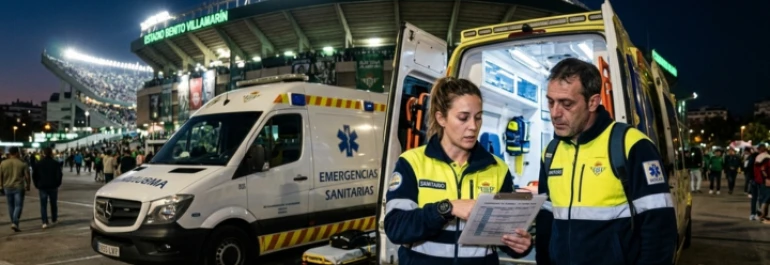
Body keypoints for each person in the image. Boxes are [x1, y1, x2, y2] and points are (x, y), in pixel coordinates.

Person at [535, 58, 677, 265]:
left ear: (592, 102)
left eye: (567, 104)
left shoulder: (632, 146)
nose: (555, 113)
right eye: (550, 101)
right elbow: (546, 223)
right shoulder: (550, 153)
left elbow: (659, 229)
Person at [383, 77, 532, 264]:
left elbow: (503, 234)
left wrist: (519, 245)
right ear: (441, 118)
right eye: (463, 117)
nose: (473, 126)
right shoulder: (412, 163)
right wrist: (447, 208)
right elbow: (397, 227)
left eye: (478, 117)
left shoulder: (497, 168)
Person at [0, 147, 31, 232]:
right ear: (17, 153)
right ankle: (15, 222)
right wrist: (28, 185)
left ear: (10, 153)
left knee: (10, 205)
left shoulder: (3, 163)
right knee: (18, 205)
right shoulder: (22, 163)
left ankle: (14, 222)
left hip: (7, 187)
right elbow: (27, 176)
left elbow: (1, 175)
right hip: (19, 187)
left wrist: (1, 186)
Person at [32, 147, 63, 229]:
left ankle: (44, 221)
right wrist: (57, 183)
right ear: (51, 153)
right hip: (53, 186)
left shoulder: (39, 163)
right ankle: (54, 219)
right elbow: (59, 175)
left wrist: (36, 184)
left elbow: (34, 175)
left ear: (44, 153)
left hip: (42, 186)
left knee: (43, 205)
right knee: (53, 204)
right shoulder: (55, 163)